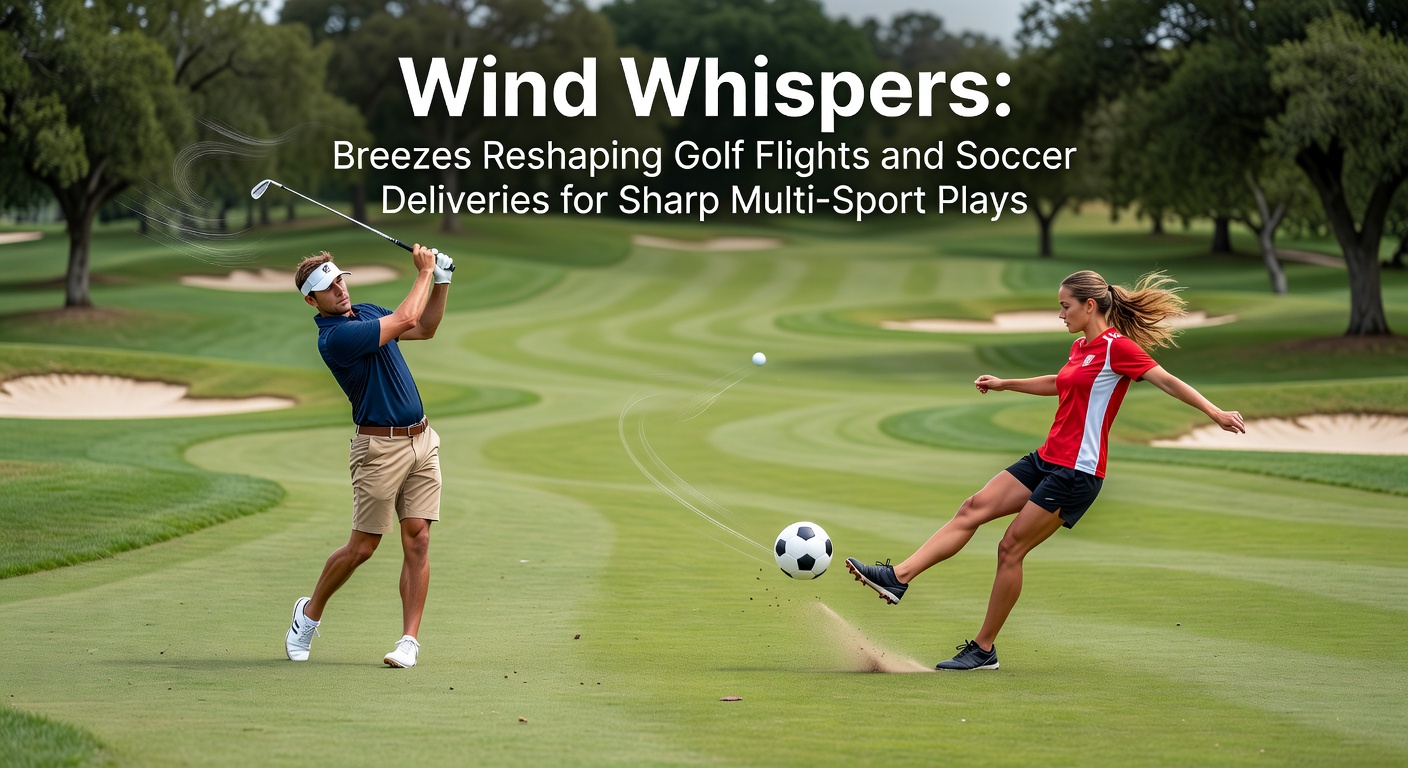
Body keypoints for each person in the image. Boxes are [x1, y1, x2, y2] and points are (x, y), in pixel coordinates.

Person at [845, 270, 1245, 671]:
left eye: (1065, 306)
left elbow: (1167, 380)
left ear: (1089, 306)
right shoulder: (1080, 348)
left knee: (1010, 548)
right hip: (1048, 457)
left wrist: (1214, 412)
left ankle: (983, 650)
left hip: (1077, 472)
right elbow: (1060, 382)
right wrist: (1006, 384)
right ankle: (897, 577)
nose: (1060, 314)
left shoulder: (1117, 349)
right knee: (973, 507)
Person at [284, 243, 455, 668]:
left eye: (339, 278)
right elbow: (406, 318)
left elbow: (424, 328)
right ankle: (308, 614)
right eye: (327, 286)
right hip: (378, 449)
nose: (339, 288)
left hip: (422, 439)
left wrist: (441, 282)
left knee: (419, 537)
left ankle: (408, 642)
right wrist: (423, 272)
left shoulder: (366, 311)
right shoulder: (336, 337)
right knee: (363, 546)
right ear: (312, 299)